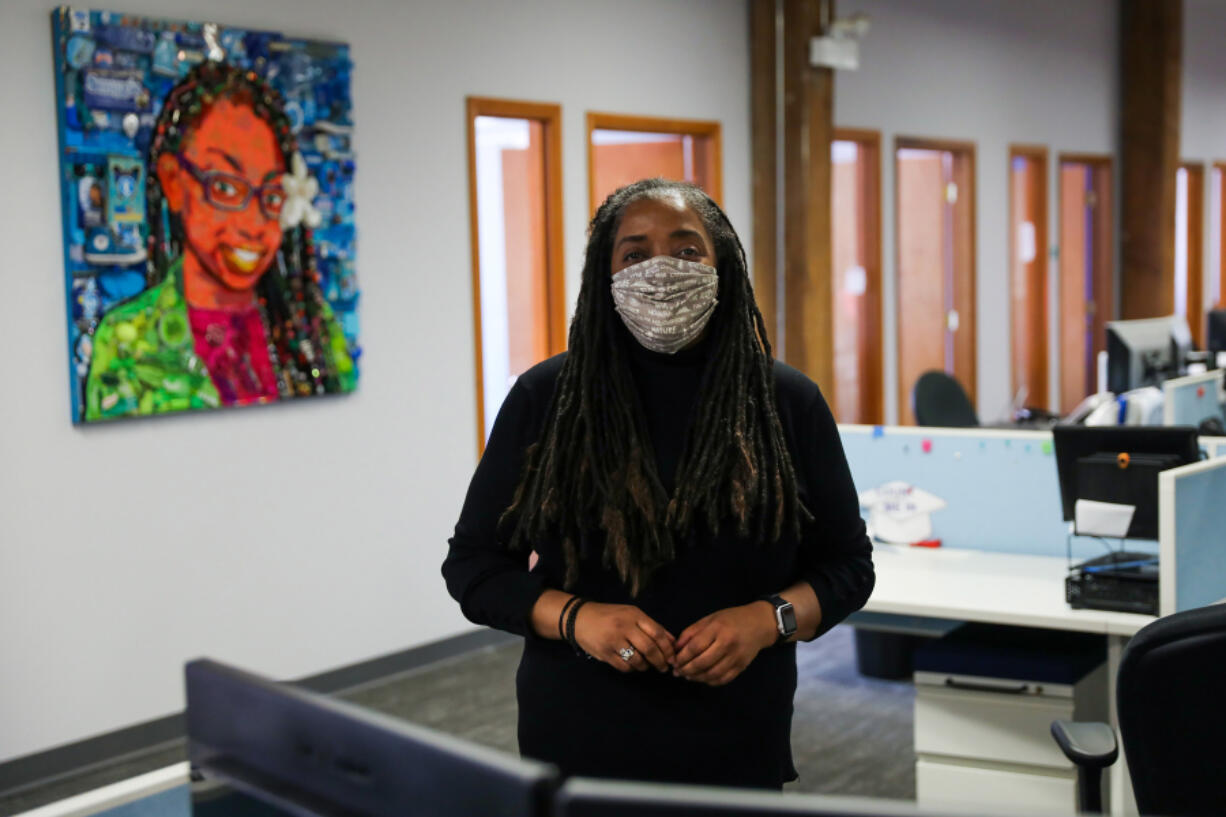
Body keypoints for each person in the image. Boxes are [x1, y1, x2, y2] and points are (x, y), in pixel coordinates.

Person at [442, 178, 874, 790]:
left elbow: (850, 567)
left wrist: (766, 619)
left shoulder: (785, 402)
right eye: (635, 253)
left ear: (721, 265)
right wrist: (576, 618)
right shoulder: (548, 398)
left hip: (736, 735)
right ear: (605, 274)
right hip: (578, 736)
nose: (662, 269)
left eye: (687, 249)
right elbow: (474, 567)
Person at [84, 61, 354, 421]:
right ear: (173, 181)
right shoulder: (127, 340)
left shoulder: (309, 323)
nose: (254, 225)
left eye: (272, 195)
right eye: (225, 188)